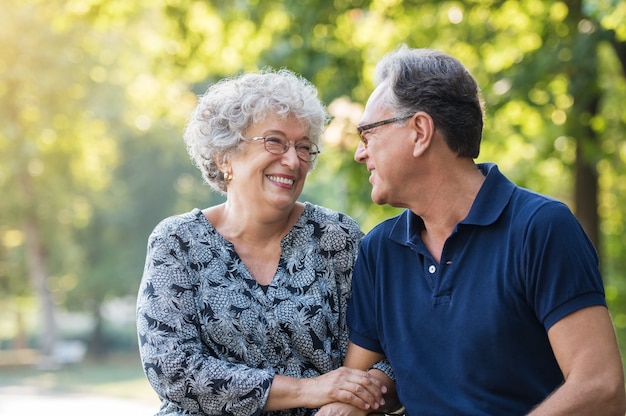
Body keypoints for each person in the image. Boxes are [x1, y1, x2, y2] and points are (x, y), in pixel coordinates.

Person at [343, 45, 626, 415]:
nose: (359, 153)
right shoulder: (380, 251)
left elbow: (601, 386)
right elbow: (359, 382)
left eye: (367, 134)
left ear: (419, 131)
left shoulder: (541, 228)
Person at [136, 69, 393, 416]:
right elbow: (174, 371)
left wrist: (353, 403)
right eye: (275, 141)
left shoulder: (338, 238)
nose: (292, 160)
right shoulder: (177, 243)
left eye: (303, 147)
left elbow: (392, 348)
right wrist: (310, 389)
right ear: (224, 155)